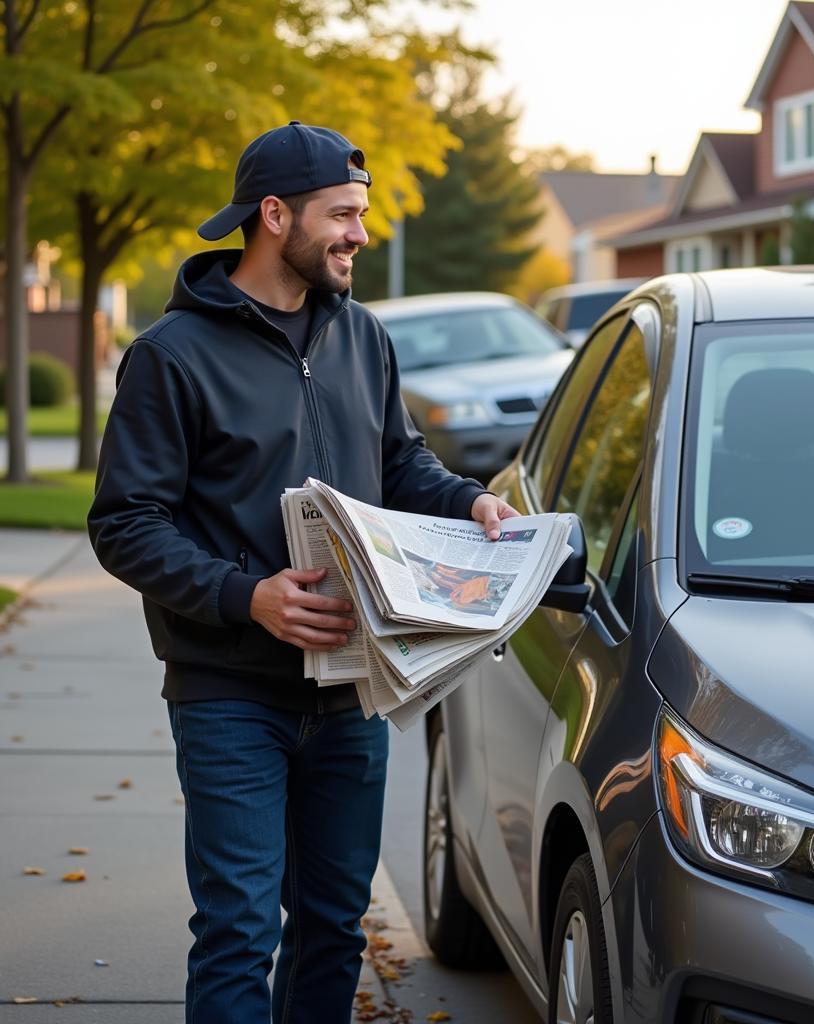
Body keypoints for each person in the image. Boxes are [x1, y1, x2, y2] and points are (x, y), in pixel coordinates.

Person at [88, 121, 519, 1023]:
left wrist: (470, 502)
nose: (361, 233)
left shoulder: (362, 336)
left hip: (352, 690)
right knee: (241, 930)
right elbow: (124, 524)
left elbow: (399, 463)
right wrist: (247, 596)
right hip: (228, 695)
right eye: (344, 215)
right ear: (274, 215)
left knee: (332, 928)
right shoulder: (169, 357)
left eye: (361, 214)